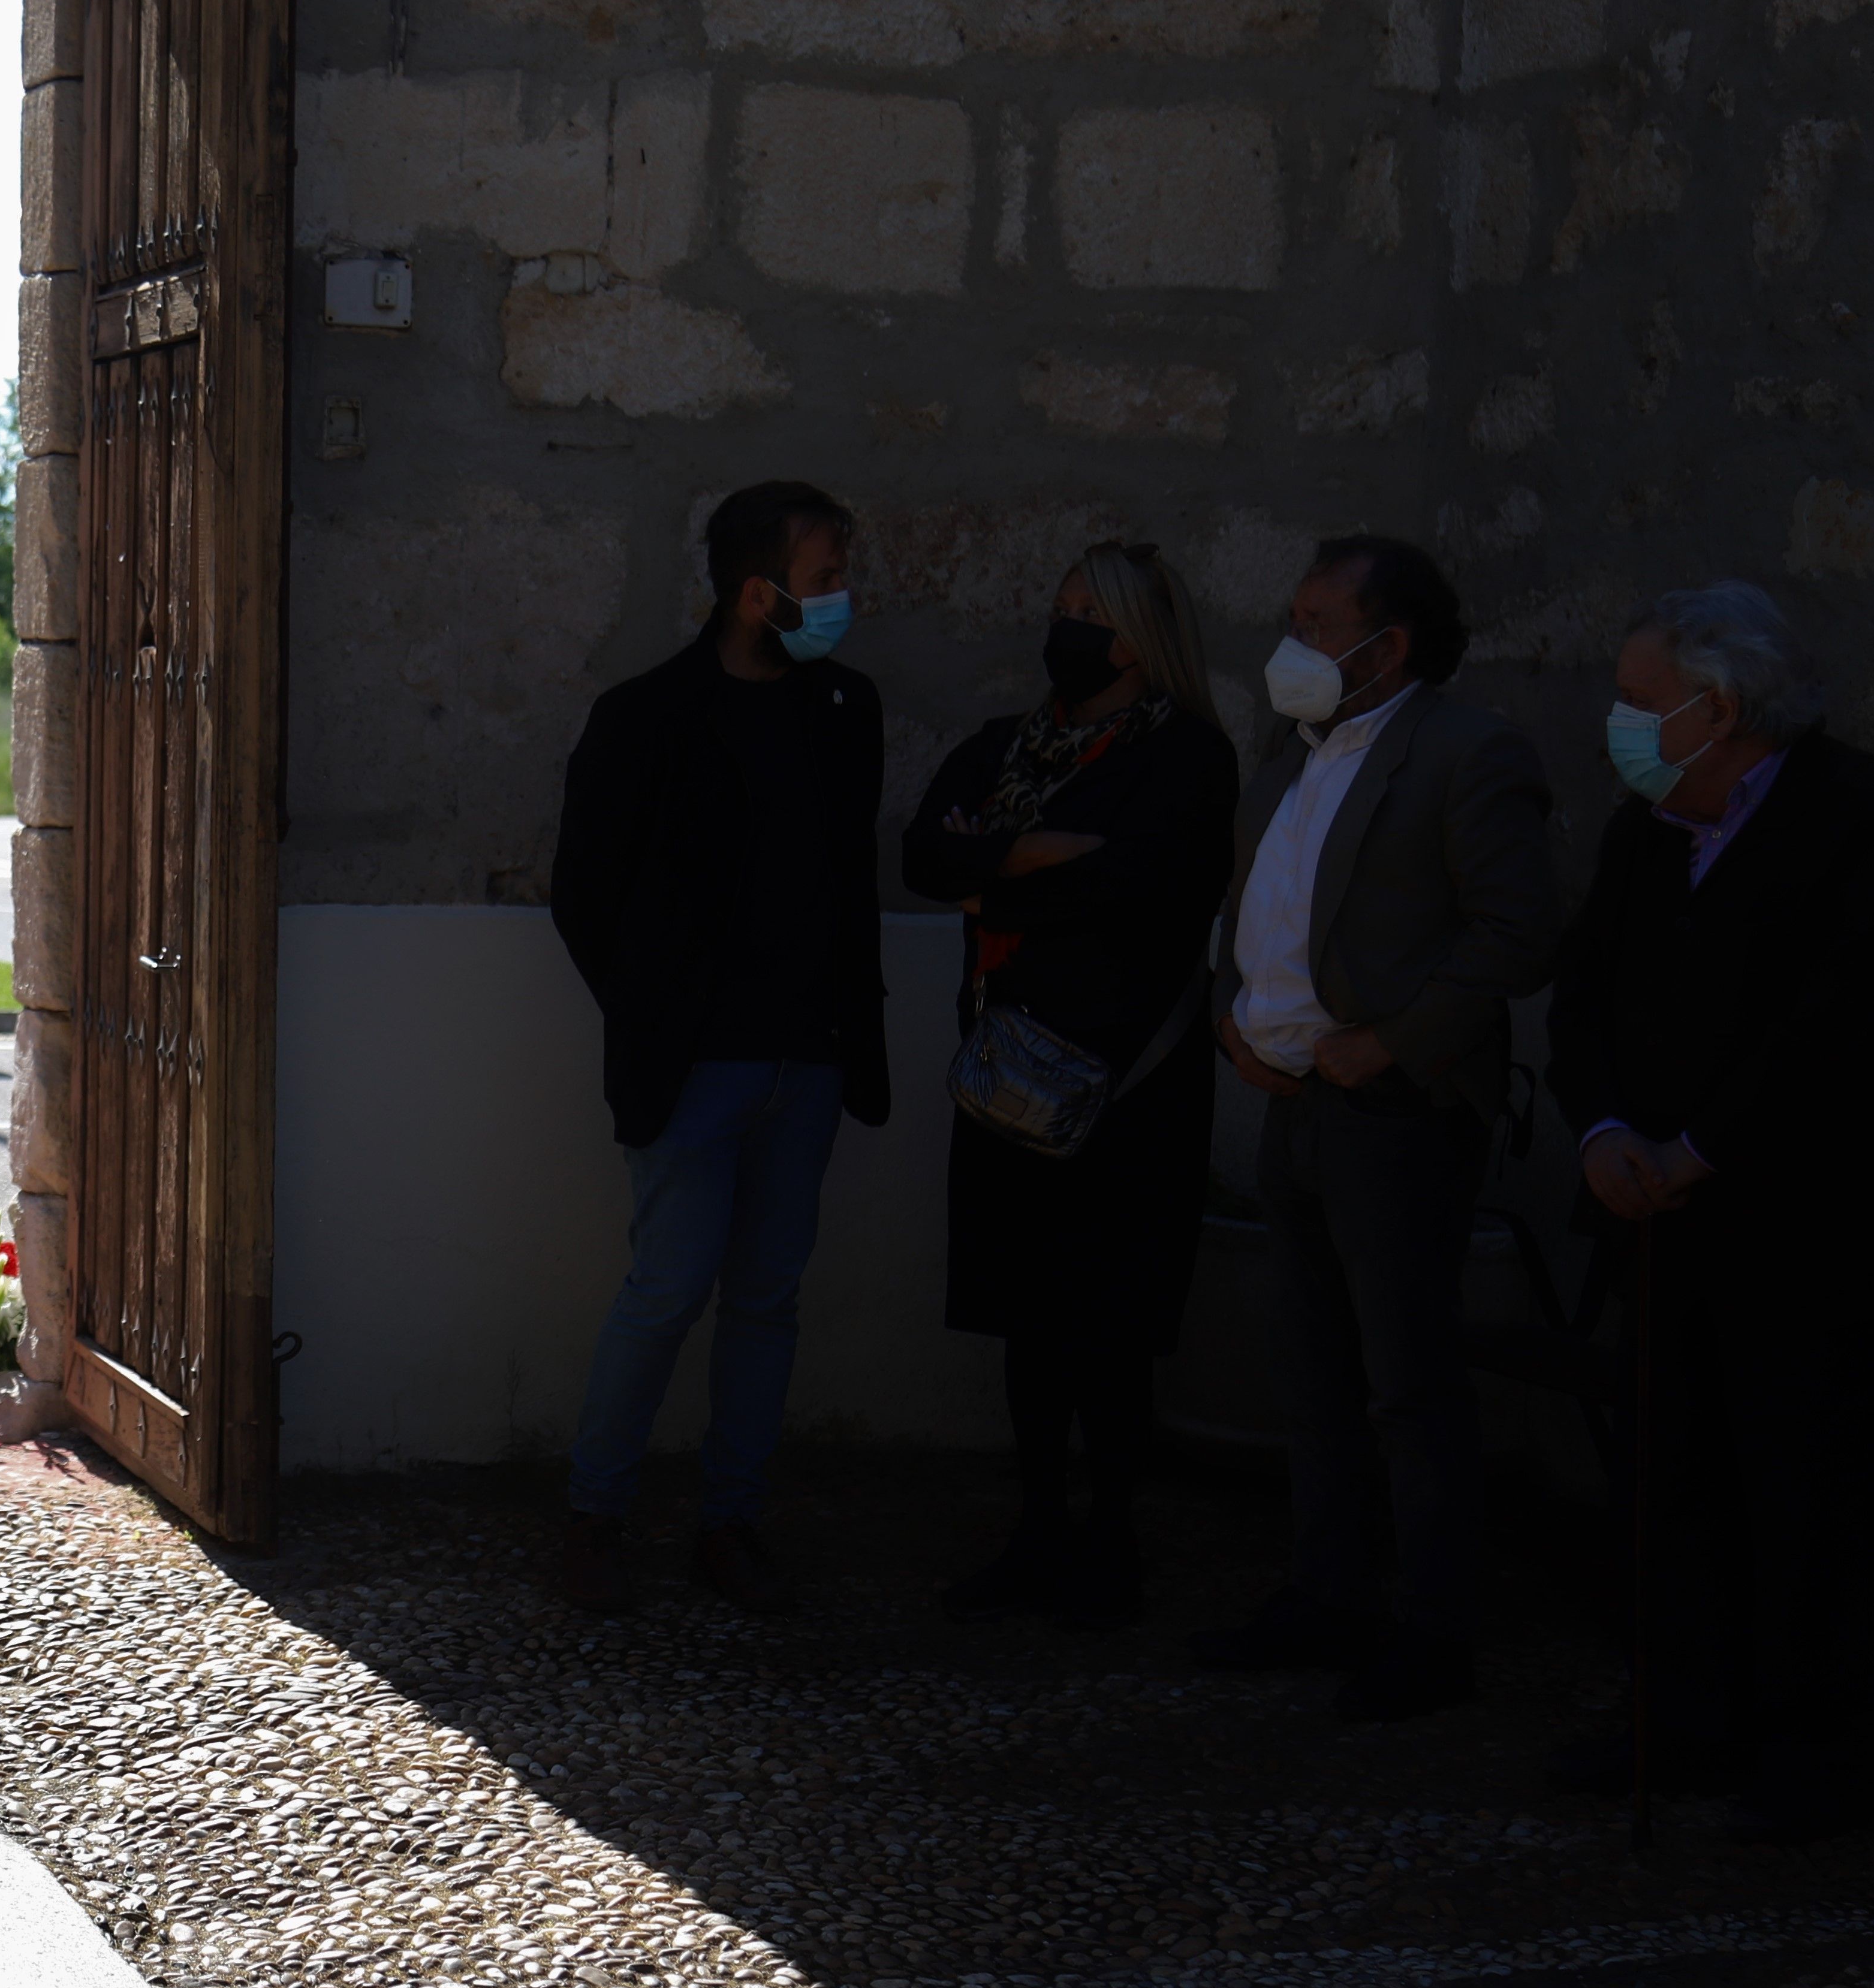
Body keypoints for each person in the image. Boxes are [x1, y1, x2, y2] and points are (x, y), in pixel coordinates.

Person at [1544, 583, 1874, 1843]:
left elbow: (1844, 1019)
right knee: (1675, 1490)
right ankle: (1686, 1715)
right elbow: (1588, 994)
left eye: (1633, 698)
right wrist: (1610, 1132)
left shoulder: (1864, 811)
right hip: (1667, 1235)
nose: (1616, 723)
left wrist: (1703, 1147)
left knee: (1814, 1499)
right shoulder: (1647, 828)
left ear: (1713, 707)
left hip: (1820, 1242)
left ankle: (1813, 1756)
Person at [1198, 536, 1562, 1719]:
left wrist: (1394, 1040)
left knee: (1406, 1380)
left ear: (1386, 641)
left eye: (1317, 621)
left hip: (1396, 1113)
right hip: (1295, 1103)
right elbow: (1255, 896)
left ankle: (1432, 1629)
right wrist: (1232, 1017)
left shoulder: (1469, 752)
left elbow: (1514, 933)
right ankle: (1328, 1593)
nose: (1292, 642)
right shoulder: (1287, 747)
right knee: (1310, 1368)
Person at [547, 480, 893, 1618]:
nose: (844, 597)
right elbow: (584, 896)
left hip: (810, 1061)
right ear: (760, 592)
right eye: (826, 576)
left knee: (766, 1301)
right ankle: (594, 1518)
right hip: (695, 1071)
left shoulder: (845, 708)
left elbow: (848, 885)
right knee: (666, 1291)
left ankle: (730, 1523)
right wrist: (658, 1018)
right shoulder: (646, 715)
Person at [903, 544, 1239, 1629]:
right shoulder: (1012, 745)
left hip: (1126, 1082)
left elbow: (1146, 893)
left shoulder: (1187, 755)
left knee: (1109, 1321)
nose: (1067, 625)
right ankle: (1040, 1531)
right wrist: (1038, 852)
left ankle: (1112, 1541)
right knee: (1027, 1317)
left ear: (1141, 635)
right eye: (1061, 605)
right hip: (1008, 1075)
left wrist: (994, 874)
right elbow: (923, 857)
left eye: (1089, 610)